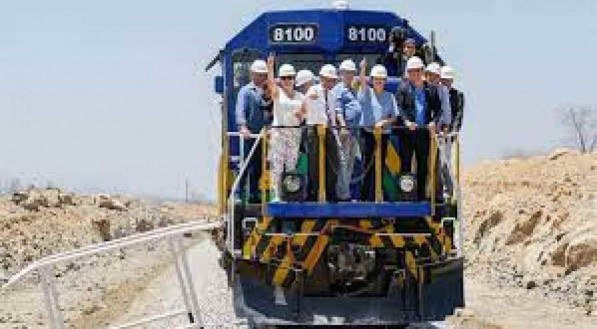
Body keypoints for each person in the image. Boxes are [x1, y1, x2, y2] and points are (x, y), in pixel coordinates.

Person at [395, 56, 442, 201]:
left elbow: (438, 110)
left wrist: (434, 122)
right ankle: (405, 196)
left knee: (423, 164)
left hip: (423, 133)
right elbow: (399, 108)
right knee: (406, 164)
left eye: (416, 71)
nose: (413, 74)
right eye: (410, 72)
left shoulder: (431, 90)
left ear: (421, 71)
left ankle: (421, 195)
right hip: (407, 134)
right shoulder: (403, 89)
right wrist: (407, 121)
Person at [357, 59, 399, 201]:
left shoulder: (390, 97)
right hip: (367, 134)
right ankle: (364, 197)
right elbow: (362, 82)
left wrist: (384, 122)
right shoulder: (366, 93)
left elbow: (394, 117)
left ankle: (377, 195)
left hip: (383, 135)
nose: (379, 82)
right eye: (376, 79)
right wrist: (363, 68)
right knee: (366, 165)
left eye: (381, 80)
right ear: (372, 80)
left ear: (385, 81)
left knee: (379, 166)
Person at [265, 56, 305, 202]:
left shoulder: (301, 96)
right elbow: (271, 85)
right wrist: (270, 67)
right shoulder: (278, 94)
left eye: (290, 77)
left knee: (291, 165)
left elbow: (305, 114)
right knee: (277, 164)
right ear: (280, 80)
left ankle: (289, 194)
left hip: (294, 132)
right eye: (284, 78)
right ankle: (276, 195)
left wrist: (301, 114)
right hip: (279, 131)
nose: (287, 81)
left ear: (294, 79)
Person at [235, 59, 271, 202]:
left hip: (262, 136)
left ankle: (254, 193)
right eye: (259, 74)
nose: (262, 77)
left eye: (264, 75)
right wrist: (243, 127)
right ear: (252, 74)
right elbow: (240, 110)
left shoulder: (267, 92)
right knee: (245, 164)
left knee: (258, 167)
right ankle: (238, 193)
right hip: (249, 135)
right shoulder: (245, 91)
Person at [304, 64, 341, 201]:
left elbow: (331, 114)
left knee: (333, 160)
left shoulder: (332, 95)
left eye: (333, 80)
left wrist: (335, 129)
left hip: (328, 129)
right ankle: (315, 191)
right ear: (321, 78)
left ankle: (330, 191)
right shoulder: (313, 90)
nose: (331, 82)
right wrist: (309, 97)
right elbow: (305, 106)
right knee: (315, 163)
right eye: (329, 79)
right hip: (314, 129)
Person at [333, 59, 362, 200]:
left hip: (353, 132)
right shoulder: (339, 89)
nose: (350, 75)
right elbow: (337, 109)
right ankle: (342, 193)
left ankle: (346, 192)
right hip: (344, 131)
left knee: (350, 163)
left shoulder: (351, 89)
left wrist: (363, 69)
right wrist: (343, 126)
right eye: (347, 73)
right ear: (341, 74)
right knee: (343, 163)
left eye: (352, 73)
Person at [440, 66, 465, 133]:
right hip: (437, 131)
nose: (445, 82)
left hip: (451, 132)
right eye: (443, 80)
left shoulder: (458, 95)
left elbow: (459, 115)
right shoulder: (436, 93)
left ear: (452, 80)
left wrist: (454, 131)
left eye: (448, 80)